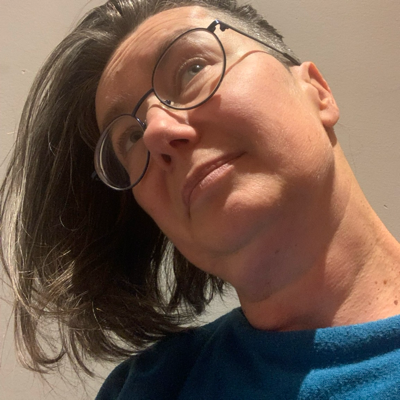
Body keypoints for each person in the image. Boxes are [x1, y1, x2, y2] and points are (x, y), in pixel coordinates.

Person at [1, 0, 399, 398]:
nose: (156, 132)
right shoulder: (145, 388)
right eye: (131, 138)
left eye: (193, 68)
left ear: (317, 91)